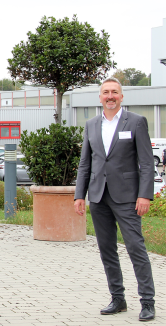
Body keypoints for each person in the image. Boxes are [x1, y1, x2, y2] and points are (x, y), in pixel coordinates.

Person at [74, 77, 156, 321]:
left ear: (122, 96)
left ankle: (147, 301)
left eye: (114, 92)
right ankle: (118, 298)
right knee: (107, 249)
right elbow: (85, 164)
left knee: (135, 248)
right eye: (105, 92)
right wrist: (80, 195)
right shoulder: (91, 124)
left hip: (128, 198)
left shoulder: (137, 122)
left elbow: (147, 163)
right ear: (100, 97)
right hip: (99, 197)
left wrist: (144, 195)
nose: (110, 96)